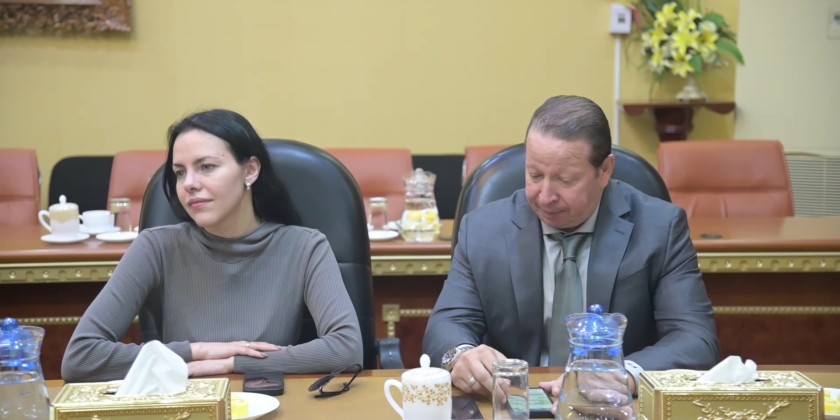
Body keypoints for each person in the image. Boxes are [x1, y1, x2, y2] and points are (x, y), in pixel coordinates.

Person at [422, 95, 719, 401]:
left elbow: (696, 339)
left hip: (612, 407)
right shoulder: (483, 229)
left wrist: (623, 374)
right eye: (534, 175)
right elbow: (447, 323)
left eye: (565, 180)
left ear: (605, 170)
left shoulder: (659, 227)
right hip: (512, 401)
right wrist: (462, 355)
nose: (544, 196)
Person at [62, 109, 363, 382]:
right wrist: (199, 351)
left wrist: (232, 363)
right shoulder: (156, 247)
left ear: (250, 170)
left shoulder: (305, 247)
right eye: (180, 172)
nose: (189, 183)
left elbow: (346, 349)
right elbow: (81, 357)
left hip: (269, 402)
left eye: (206, 167)